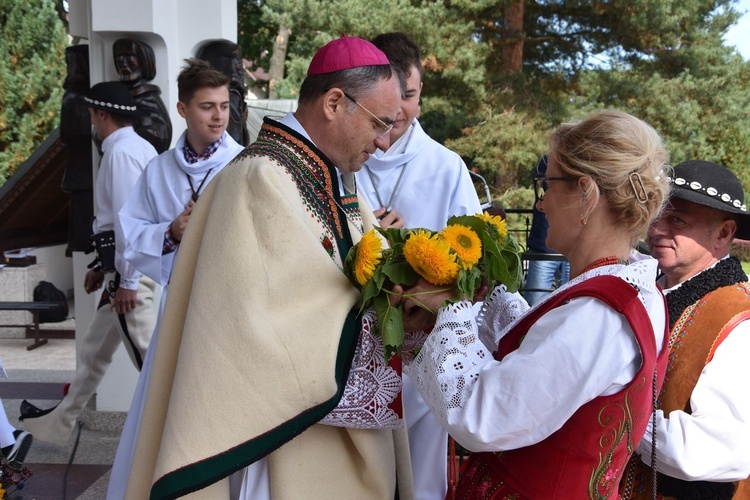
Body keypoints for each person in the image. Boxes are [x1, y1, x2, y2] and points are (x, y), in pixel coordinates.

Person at [119, 36, 412, 499]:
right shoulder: (258, 178)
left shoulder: (333, 176)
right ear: (335, 103)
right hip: (277, 439)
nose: (383, 141)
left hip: (324, 428)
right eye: (380, 123)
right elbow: (257, 329)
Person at [398, 109, 671, 498]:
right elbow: (542, 355)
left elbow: (485, 416)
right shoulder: (634, 291)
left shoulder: (599, 315)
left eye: (548, 187)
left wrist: (450, 309)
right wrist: (483, 295)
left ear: (586, 194)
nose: (540, 206)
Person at [106, 58, 244, 497]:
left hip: (232, 309)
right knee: (173, 402)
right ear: (183, 109)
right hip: (179, 308)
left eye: (224, 105)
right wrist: (171, 232)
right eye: (207, 106)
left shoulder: (245, 165)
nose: (219, 116)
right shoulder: (160, 170)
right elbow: (130, 233)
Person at [355, 31, 482, 500]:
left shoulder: (446, 167)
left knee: (419, 478)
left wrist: (414, 249)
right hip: (353, 344)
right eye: (392, 97)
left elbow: (474, 265)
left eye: (410, 96)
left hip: (418, 346)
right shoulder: (345, 156)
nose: (401, 110)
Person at [19, 82, 160, 446]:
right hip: (122, 273)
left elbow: (130, 223)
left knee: (152, 363)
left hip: (132, 278)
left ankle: (181, 434)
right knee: (94, 351)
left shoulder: (122, 152)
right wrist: (102, 265)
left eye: (91, 115)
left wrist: (127, 282)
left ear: (100, 114)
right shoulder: (133, 147)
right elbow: (116, 222)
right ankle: (58, 424)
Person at [620, 160, 750, 499]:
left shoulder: (737, 319)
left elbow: (720, 448)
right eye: (656, 216)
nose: (657, 230)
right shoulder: (649, 292)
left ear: (724, 233)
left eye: (676, 219)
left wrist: (618, 408)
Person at [521, 155, 570, 306]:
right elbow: (543, 177)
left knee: (571, 302)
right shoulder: (549, 160)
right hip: (544, 247)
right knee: (534, 303)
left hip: (574, 247)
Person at [113, 38, 172, 154]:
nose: (124, 63)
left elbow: (160, 134)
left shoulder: (148, 98)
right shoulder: (115, 94)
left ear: (144, 61)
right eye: (120, 57)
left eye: (130, 57)